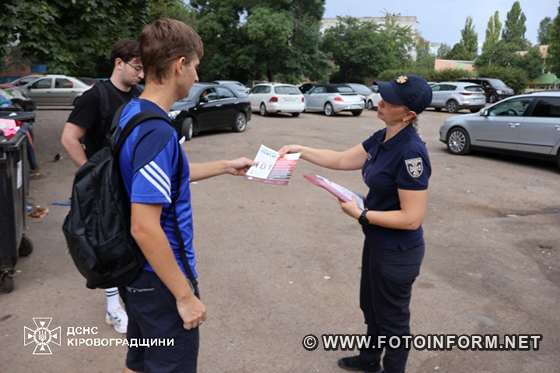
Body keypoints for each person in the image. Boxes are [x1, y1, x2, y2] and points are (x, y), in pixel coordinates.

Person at [117, 18, 253, 373]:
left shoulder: (132, 114)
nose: (196, 77)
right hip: (159, 276)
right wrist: (184, 295)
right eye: (195, 67)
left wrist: (225, 165)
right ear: (180, 65)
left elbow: (165, 178)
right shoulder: (156, 132)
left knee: (142, 362)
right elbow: (144, 227)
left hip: (136, 272)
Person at [280, 74, 433, 373]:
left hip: (398, 250)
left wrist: (362, 214)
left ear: (409, 114)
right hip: (377, 242)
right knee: (372, 307)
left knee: (394, 320)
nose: (380, 103)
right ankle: (369, 359)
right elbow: (340, 159)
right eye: (383, 95)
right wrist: (301, 149)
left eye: (389, 102)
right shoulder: (382, 137)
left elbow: (412, 218)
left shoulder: (411, 152)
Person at [60, 39, 145, 334]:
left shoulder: (138, 96)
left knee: (129, 243)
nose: (141, 74)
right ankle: (113, 308)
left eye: (144, 68)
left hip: (131, 184)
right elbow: (69, 138)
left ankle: (127, 299)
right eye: (137, 67)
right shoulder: (94, 97)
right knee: (107, 245)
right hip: (103, 187)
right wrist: (90, 176)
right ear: (118, 63)